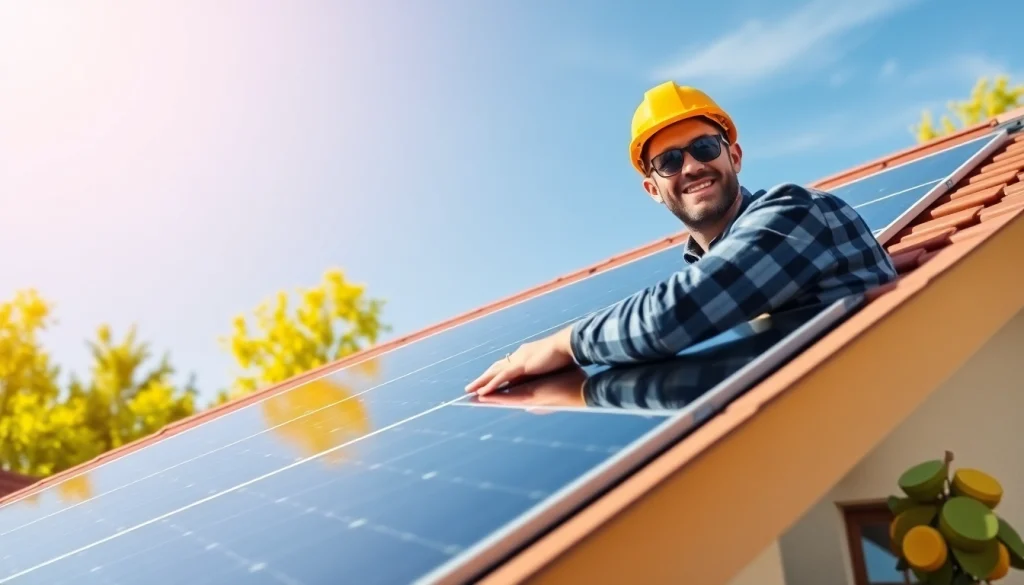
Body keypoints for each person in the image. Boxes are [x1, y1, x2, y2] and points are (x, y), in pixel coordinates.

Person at [466, 81, 897, 396]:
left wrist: (562, 343)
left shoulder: (794, 213)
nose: (690, 166)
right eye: (669, 161)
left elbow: (671, 318)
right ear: (653, 189)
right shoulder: (706, 274)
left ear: (735, 156)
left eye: (705, 148)